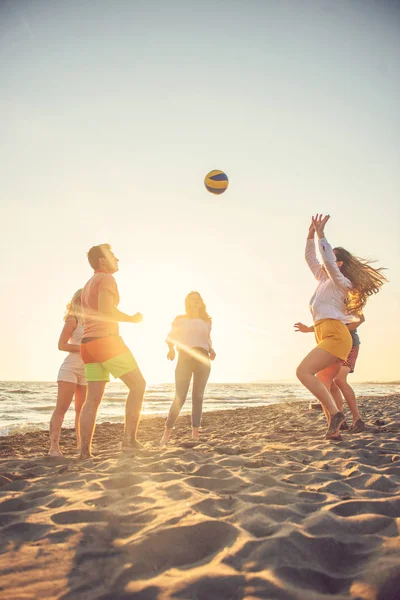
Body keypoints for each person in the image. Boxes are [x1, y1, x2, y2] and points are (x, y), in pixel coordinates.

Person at [295, 214, 387, 440]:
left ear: (339, 264)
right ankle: (333, 429)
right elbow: (311, 259)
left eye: (333, 258)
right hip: (324, 334)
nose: (327, 261)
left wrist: (321, 235)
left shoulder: (341, 282)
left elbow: (325, 260)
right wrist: (309, 235)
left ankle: (337, 414)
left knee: (303, 372)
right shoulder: (324, 280)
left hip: (336, 336)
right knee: (325, 383)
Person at [79, 243, 146, 460]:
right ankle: (129, 441)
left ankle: (84, 453)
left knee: (92, 400)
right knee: (138, 385)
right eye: (113, 257)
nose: (117, 260)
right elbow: (106, 311)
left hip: (87, 344)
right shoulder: (106, 279)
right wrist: (132, 319)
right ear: (102, 261)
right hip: (105, 340)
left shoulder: (88, 283)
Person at [160, 291, 216, 446]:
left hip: (203, 358)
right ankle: (166, 434)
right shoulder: (180, 319)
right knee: (180, 397)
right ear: (187, 303)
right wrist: (171, 349)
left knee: (198, 397)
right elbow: (170, 338)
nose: (196, 301)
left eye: (198, 299)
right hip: (184, 357)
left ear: (201, 302)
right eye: (192, 299)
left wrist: (212, 350)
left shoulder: (207, 321)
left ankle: (195, 434)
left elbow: (208, 339)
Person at [294, 314, 366, 433]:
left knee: (339, 379)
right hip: (331, 344)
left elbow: (361, 319)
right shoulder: (329, 304)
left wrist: (340, 330)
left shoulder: (347, 297)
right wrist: (308, 329)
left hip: (350, 344)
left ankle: (357, 419)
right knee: (327, 381)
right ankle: (338, 419)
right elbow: (325, 322)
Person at [49, 289, 87, 456]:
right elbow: (62, 345)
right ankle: (54, 447)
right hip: (70, 369)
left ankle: (80, 446)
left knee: (82, 410)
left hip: (87, 370)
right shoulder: (73, 320)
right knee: (61, 408)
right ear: (79, 300)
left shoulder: (93, 322)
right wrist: (84, 348)